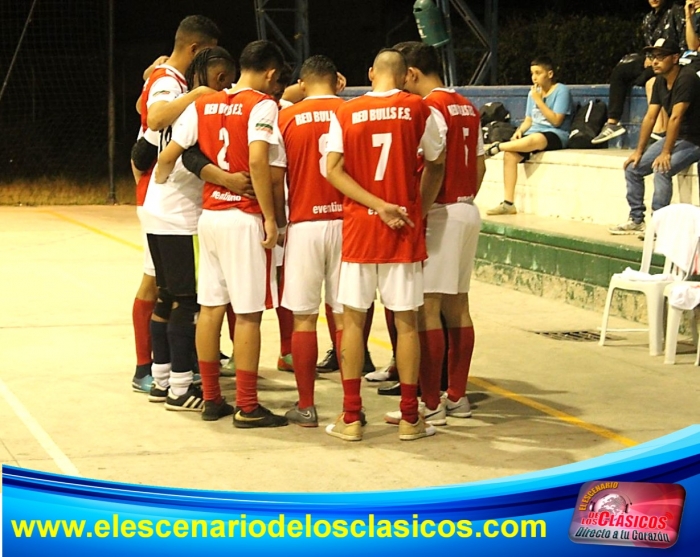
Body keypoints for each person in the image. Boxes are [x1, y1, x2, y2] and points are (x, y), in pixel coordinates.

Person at [156, 40, 288, 427]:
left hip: (210, 216)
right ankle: (247, 405)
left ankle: (212, 398)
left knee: (211, 307)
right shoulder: (262, 105)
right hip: (242, 217)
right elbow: (259, 160)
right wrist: (269, 217)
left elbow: (182, 151)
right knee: (247, 315)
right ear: (269, 73)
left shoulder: (204, 103)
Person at [324, 48, 446, 442]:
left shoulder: (345, 112)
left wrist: (375, 205)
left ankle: (352, 417)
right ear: (405, 74)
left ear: (371, 72)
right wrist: (417, 209)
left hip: (361, 227)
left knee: (355, 321)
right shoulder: (420, 109)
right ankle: (410, 418)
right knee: (407, 322)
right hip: (403, 228)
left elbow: (332, 169)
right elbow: (436, 162)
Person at [384, 41, 485, 426]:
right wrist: (463, 198)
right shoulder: (467, 106)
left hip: (440, 211)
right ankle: (456, 396)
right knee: (458, 304)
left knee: (426, 308)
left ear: (411, 73)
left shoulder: (430, 108)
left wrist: (420, 212)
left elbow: (434, 164)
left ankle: (431, 403)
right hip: (466, 208)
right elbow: (479, 167)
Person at [142, 47, 237, 415]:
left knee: (166, 295)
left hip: (156, 208)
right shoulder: (198, 107)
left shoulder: (177, 105)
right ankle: (181, 387)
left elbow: (140, 153)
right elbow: (171, 157)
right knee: (185, 299)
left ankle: (162, 378)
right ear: (217, 80)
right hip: (177, 217)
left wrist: (159, 185)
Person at [129, 15, 221, 394]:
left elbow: (141, 109)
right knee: (167, 289)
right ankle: (149, 367)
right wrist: (194, 97)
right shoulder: (171, 81)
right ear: (197, 49)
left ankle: (173, 365)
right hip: (163, 195)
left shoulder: (165, 76)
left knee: (171, 289)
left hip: (160, 194)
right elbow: (154, 116)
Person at [275, 55, 345, 427]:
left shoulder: (285, 117)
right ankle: (352, 407)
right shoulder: (351, 112)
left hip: (303, 223)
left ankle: (306, 406)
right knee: (346, 316)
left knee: (304, 318)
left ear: (302, 83)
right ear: (336, 81)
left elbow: (273, 176)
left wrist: (276, 219)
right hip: (347, 223)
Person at [609, 38, 700, 235]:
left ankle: (659, 224)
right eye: (652, 57)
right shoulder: (659, 81)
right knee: (633, 168)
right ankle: (636, 219)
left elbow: (676, 117)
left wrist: (666, 152)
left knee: (661, 169)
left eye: (660, 56)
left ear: (675, 58)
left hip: (695, 139)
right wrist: (639, 152)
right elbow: (650, 117)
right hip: (676, 137)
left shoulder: (687, 78)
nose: (654, 61)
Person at [485, 56, 573, 216]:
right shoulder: (532, 93)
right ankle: (508, 203)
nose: (534, 77)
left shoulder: (561, 90)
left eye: (538, 73)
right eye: (532, 73)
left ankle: (497, 147)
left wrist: (539, 101)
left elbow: (556, 121)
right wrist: (519, 130)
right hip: (534, 133)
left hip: (555, 134)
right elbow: (529, 120)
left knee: (536, 139)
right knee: (510, 155)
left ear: (550, 74)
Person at [592, 0, 686, 144]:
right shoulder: (649, 19)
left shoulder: (677, 12)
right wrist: (649, 57)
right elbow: (649, 44)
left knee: (647, 80)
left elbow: (683, 45)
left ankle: (660, 130)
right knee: (621, 71)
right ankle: (613, 123)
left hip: (669, 61)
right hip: (652, 60)